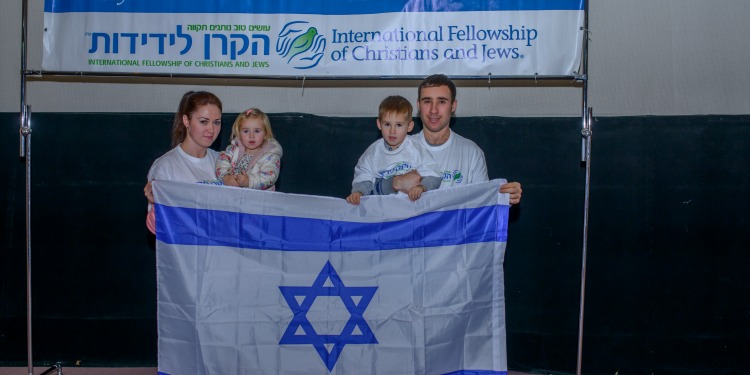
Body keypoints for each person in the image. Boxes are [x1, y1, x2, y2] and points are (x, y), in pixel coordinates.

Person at [374, 74, 523, 204]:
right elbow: (367, 192)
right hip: (411, 235)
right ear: (419, 105)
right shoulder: (398, 147)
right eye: (427, 101)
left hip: (453, 237)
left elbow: (480, 202)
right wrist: (394, 183)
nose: (433, 110)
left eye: (442, 101)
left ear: (453, 106)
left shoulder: (471, 152)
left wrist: (503, 198)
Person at [143, 91, 223, 233]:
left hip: (220, 252)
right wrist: (155, 204)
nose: (211, 129)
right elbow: (159, 228)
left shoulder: (224, 161)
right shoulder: (165, 166)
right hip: (188, 252)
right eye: (203, 121)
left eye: (216, 122)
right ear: (186, 121)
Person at [347, 95, 442, 205]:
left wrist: (422, 187)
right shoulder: (373, 152)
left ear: (409, 126)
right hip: (382, 208)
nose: (392, 131)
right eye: (387, 124)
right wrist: (359, 193)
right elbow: (364, 177)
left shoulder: (415, 148)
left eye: (399, 125)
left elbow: (434, 175)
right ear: (379, 124)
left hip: (411, 207)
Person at [215, 108, 282, 190]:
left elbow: (270, 177)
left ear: (265, 134)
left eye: (257, 131)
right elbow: (222, 161)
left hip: (258, 198)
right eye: (246, 131)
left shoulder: (270, 154)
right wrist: (225, 177)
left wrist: (249, 181)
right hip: (233, 193)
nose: (251, 136)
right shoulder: (233, 149)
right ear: (239, 134)